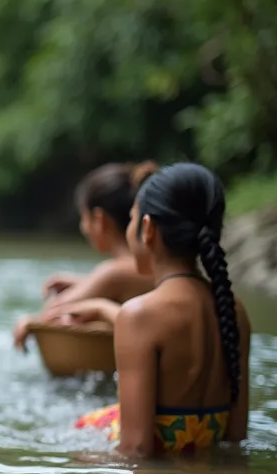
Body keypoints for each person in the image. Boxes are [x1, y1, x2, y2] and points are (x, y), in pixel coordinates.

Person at [71, 163, 251, 456]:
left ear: (148, 229)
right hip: (207, 468)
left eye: (131, 219)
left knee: (83, 428)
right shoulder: (235, 311)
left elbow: (136, 448)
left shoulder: (139, 315)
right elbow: (236, 436)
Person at [13, 162, 158, 349]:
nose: (83, 228)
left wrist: (27, 320)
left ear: (100, 219)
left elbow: (49, 315)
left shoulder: (115, 271)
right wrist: (83, 283)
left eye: (83, 217)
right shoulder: (154, 264)